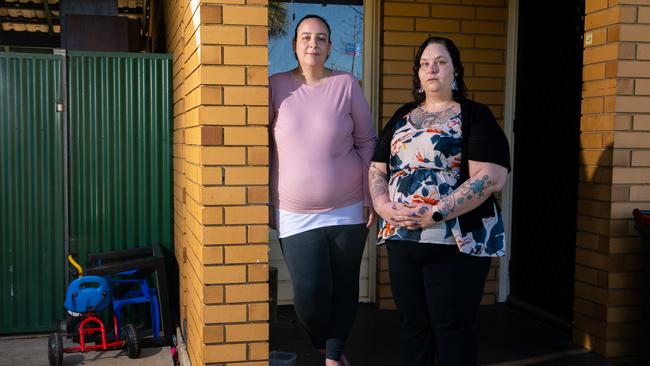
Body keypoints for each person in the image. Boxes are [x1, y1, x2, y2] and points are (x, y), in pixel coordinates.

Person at [368, 36, 511, 366]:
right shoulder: (403, 116)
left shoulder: (475, 115)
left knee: (451, 330)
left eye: (441, 62)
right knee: (413, 329)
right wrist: (384, 207)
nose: (431, 68)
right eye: (424, 63)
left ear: (455, 71)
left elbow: (491, 177)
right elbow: (377, 169)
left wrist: (434, 214)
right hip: (402, 240)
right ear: (418, 74)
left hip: (455, 245)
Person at [268, 14, 376, 366]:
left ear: (329, 47)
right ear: (295, 45)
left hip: (347, 206)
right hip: (294, 213)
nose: (313, 44)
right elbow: (262, 149)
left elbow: (366, 141)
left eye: (321, 38)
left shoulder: (346, 84)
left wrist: (370, 195)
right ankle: (321, 343)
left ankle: (332, 355)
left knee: (345, 286)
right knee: (310, 293)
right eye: (306, 37)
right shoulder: (276, 85)